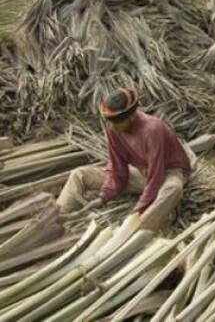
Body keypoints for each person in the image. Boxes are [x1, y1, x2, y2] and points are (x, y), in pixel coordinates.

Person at [57, 88, 193, 232]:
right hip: (143, 173)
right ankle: (56, 219)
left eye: (116, 122)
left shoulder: (152, 130)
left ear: (131, 117)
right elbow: (117, 167)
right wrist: (104, 196)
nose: (112, 126)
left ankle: (135, 231)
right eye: (109, 121)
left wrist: (136, 211)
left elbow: (156, 177)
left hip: (169, 173)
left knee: (173, 189)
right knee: (79, 174)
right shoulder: (113, 129)